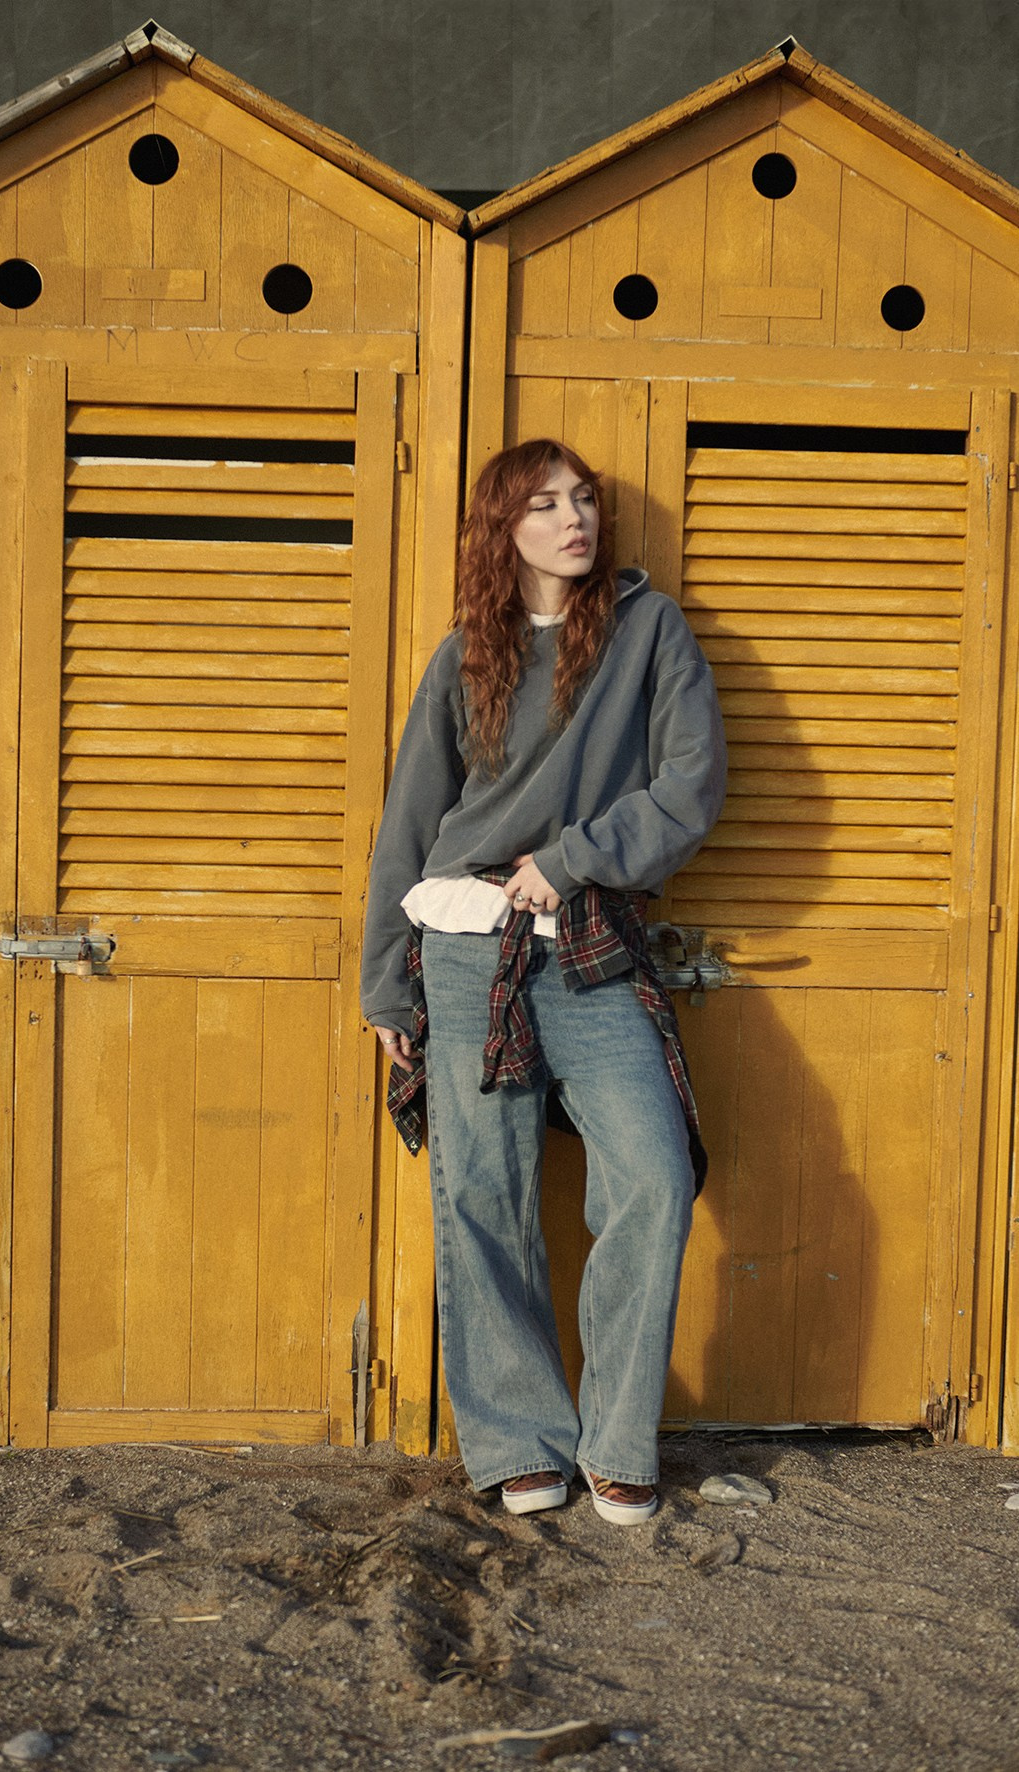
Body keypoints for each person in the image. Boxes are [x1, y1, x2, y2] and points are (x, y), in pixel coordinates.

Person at [360, 438, 726, 1524]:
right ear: (500, 528)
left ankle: (617, 1439)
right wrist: (388, 987)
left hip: (587, 943)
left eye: (583, 500)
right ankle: (519, 1436)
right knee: (482, 1198)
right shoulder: (460, 657)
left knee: (653, 1173)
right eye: (545, 504)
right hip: (465, 949)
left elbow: (690, 784)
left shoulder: (647, 631)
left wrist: (568, 859)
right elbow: (409, 829)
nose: (573, 519)